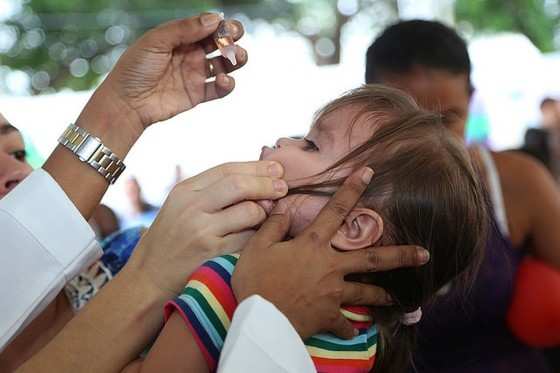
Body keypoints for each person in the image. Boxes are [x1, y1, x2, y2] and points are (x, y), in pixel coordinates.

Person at [1, 13, 430, 372]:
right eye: (307, 139)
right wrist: (262, 313)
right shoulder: (234, 281)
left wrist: (123, 110)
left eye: (16, 149)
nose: (281, 141)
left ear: (359, 227)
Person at [121, 85, 488, 373]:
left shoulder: (227, 281)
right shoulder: (366, 332)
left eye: (311, 144)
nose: (283, 141)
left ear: (354, 226)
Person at [366, 19, 560, 372]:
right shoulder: (340, 194)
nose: (428, 141)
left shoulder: (517, 181)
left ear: (471, 101)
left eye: (447, 120)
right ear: (369, 105)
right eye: (407, 123)